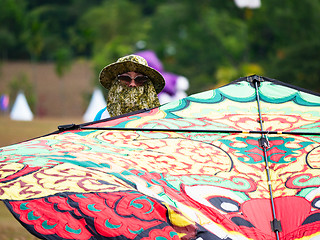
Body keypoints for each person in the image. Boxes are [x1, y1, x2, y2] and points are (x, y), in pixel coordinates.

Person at [94, 54, 165, 120]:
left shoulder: (159, 116)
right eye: (125, 78)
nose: (132, 84)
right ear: (116, 83)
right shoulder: (103, 117)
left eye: (139, 79)